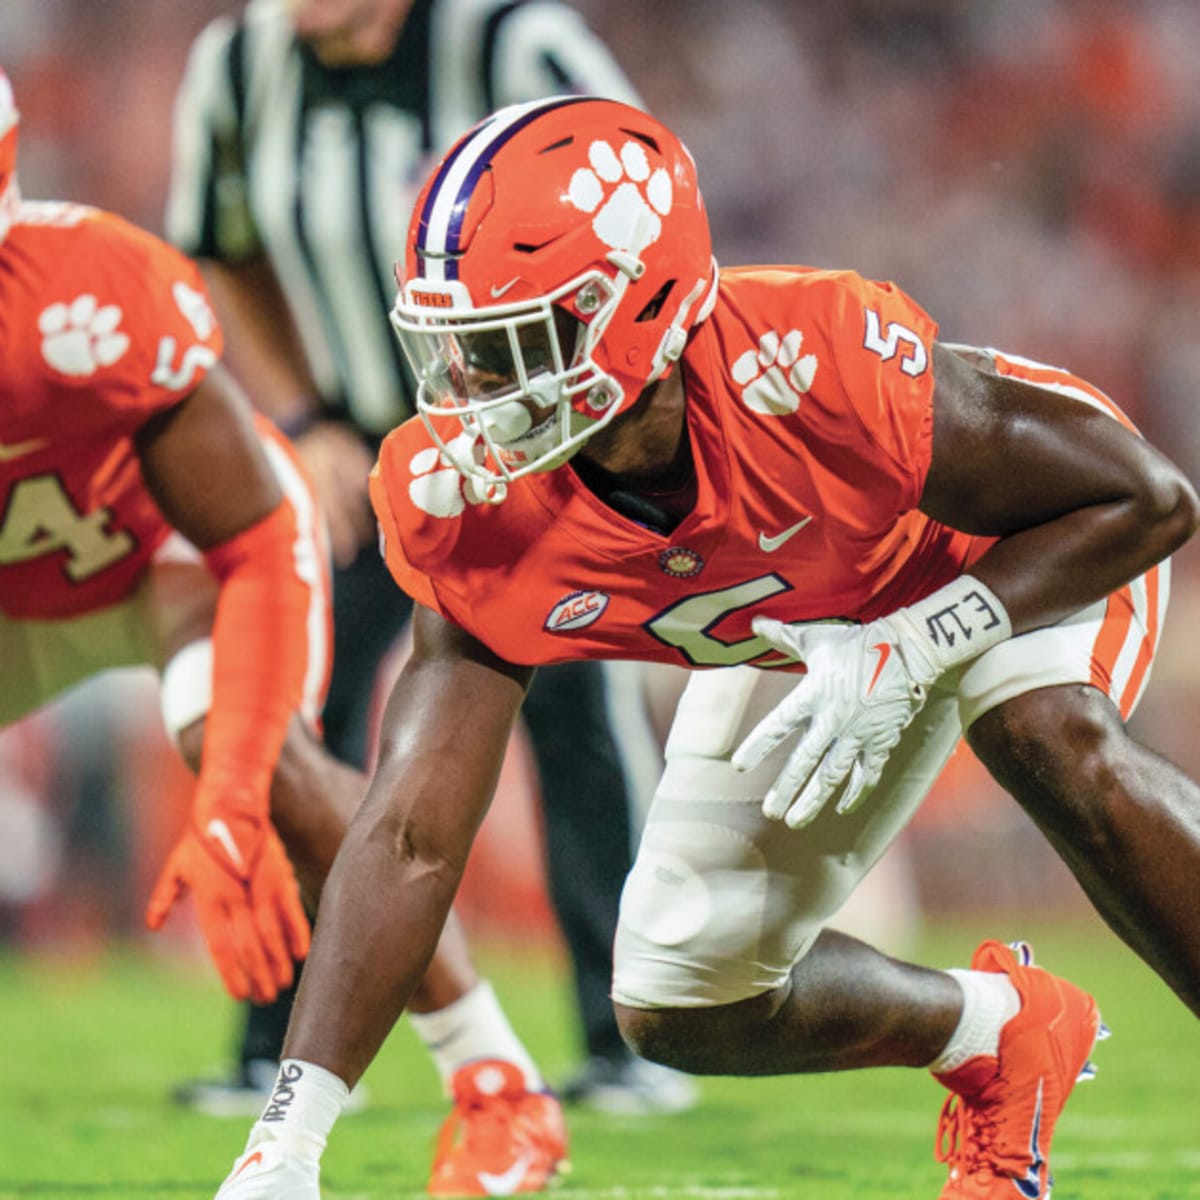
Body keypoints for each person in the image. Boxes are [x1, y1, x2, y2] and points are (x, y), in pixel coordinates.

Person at [212, 95, 1200, 1199]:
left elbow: (1144, 500)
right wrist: (288, 1144)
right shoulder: (467, 503)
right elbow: (407, 837)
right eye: (458, 350)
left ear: (638, 310)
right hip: (809, 625)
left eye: (513, 346)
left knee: (1048, 735)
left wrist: (924, 641)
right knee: (685, 997)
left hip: (1000, 557)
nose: (474, 392)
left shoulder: (814, 363)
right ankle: (1003, 1036)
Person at [0, 68, 568, 1196]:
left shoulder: (94, 298)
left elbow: (251, 542)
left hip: (167, 562)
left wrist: (230, 784)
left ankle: (498, 1085)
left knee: (265, 773)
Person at [165, 0, 694, 1123]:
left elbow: (653, 231)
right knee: (280, 713)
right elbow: (222, 248)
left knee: (577, 722)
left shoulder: (516, 45)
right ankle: (276, 1042)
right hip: (357, 453)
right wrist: (306, 415)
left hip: (534, 441)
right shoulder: (239, 65)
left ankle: (633, 1030)